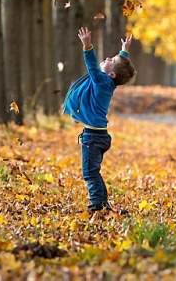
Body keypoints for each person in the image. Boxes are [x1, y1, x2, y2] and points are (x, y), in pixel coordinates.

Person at [62, 27, 135, 218]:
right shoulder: (107, 82)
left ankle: (97, 206)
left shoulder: (102, 82)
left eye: (111, 60)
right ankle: (102, 204)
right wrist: (124, 51)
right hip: (97, 135)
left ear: (111, 74)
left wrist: (87, 47)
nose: (107, 59)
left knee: (90, 173)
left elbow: (93, 67)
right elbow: (116, 67)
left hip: (93, 137)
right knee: (94, 172)